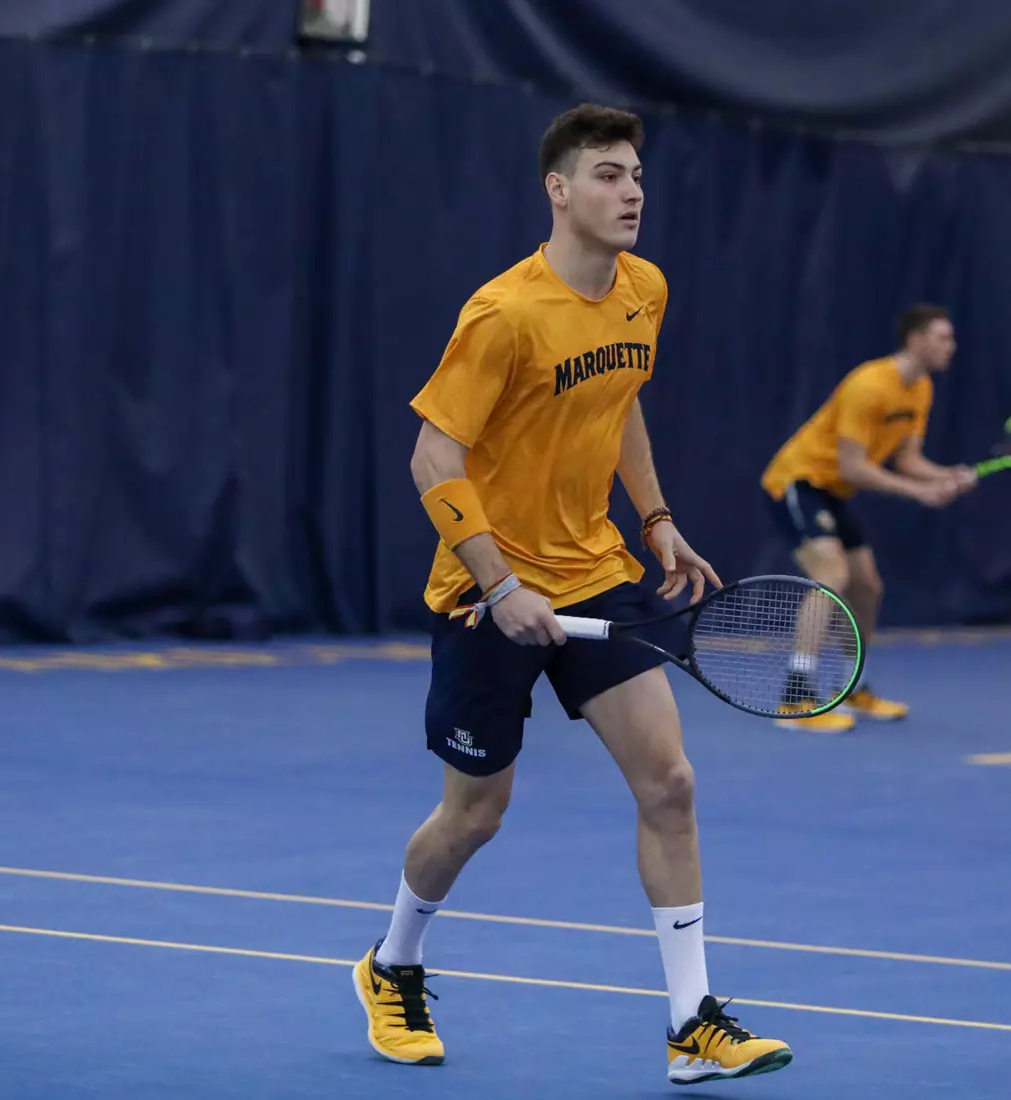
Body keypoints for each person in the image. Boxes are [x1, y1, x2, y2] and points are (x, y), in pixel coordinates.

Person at [352, 103, 794, 1087]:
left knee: (670, 784)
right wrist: (499, 580)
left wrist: (658, 518)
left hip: (596, 569)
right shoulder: (504, 313)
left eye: (636, 173)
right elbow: (433, 453)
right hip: (484, 590)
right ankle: (393, 965)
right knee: (475, 815)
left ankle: (694, 1022)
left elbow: (620, 399)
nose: (630, 191)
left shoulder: (646, 290)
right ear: (558, 190)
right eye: (606, 174)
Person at [757, 305, 977, 733]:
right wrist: (921, 493)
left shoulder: (921, 390)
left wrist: (948, 475)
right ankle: (796, 697)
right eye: (942, 337)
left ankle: (849, 685)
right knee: (832, 575)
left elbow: (908, 459)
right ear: (915, 339)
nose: (951, 346)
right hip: (796, 482)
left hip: (833, 491)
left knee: (868, 587)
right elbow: (855, 466)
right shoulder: (869, 385)